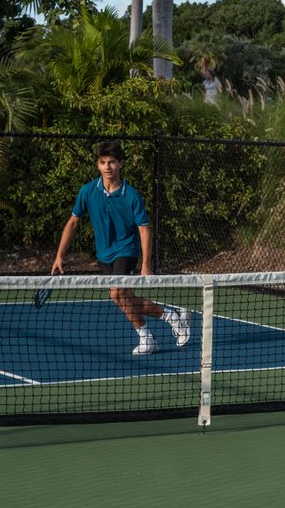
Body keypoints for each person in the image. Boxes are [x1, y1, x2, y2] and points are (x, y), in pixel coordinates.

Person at [51, 140, 190, 356]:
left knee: (119, 292)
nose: (107, 167)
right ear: (97, 165)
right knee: (120, 297)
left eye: (112, 162)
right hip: (104, 254)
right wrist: (59, 256)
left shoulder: (132, 195)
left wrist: (145, 264)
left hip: (127, 250)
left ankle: (146, 338)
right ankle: (172, 316)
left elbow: (144, 229)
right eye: (102, 162)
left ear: (121, 164)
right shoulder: (87, 191)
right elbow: (73, 222)